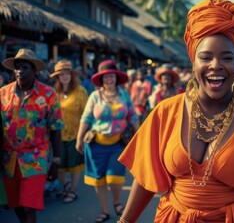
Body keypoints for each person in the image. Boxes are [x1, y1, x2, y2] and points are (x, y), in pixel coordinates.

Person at [117, 0, 234, 223]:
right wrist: (124, 221)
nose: (215, 65)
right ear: (193, 62)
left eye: (227, 57)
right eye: (205, 57)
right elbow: (146, 176)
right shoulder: (165, 112)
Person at [0, 49, 64, 222]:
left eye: (25, 67)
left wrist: (56, 162)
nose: (20, 70)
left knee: (29, 207)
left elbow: (56, 129)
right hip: (9, 159)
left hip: (36, 159)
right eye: (17, 67)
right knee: (16, 205)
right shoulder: (3, 94)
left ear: (34, 70)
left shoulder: (48, 94)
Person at [75, 60, 139, 223]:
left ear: (116, 78)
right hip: (96, 145)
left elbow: (132, 115)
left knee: (114, 178)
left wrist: (139, 136)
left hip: (118, 143)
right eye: (105, 77)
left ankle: (117, 202)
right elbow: (86, 118)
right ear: (101, 80)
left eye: (111, 76)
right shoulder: (95, 96)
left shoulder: (124, 94)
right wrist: (79, 138)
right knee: (99, 180)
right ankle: (104, 211)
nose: (109, 80)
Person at [50, 60, 88, 203]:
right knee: (59, 164)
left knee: (74, 165)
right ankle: (65, 186)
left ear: (71, 75)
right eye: (61, 74)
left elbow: (86, 114)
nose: (65, 77)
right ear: (58, 77)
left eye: (67, 74)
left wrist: (84, 134)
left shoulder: (80, 91)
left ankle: (72, 191)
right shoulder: (54, 93)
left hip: (75, 134)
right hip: (58, 135)